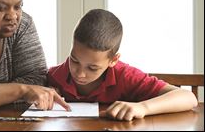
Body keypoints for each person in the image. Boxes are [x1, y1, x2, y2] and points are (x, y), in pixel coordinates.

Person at [48, 9, 198, 121]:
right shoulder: (55, 75)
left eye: (92, 68)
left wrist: (142, 107)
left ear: (113, 60)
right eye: (74, 60)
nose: (79, 73)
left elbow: (188, 97)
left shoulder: (125, 76)